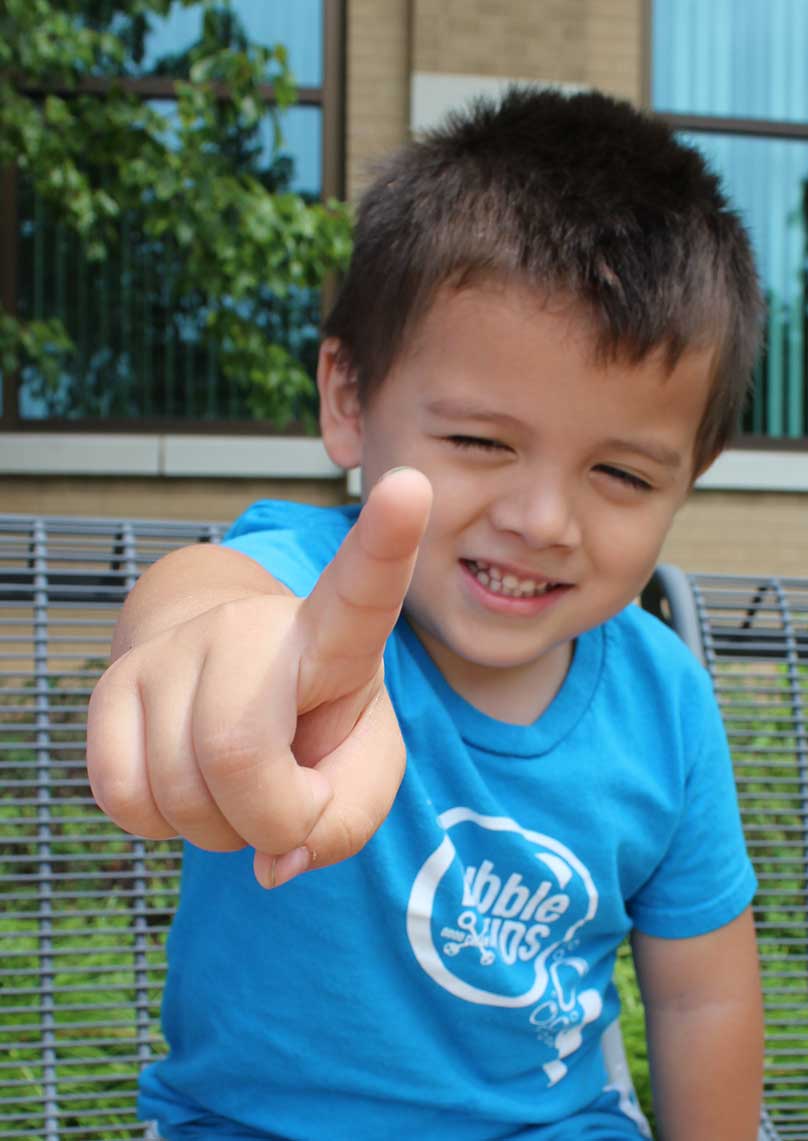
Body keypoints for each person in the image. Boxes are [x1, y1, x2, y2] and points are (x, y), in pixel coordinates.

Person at [87, 86, 764, 1140]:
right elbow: (208, 603)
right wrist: (222, 660)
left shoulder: (664, 701)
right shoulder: (311, 584)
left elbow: (701, 992)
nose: (544, 519)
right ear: (350, 399)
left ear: (692, 474)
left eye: (623, 475)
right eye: (483, 444)